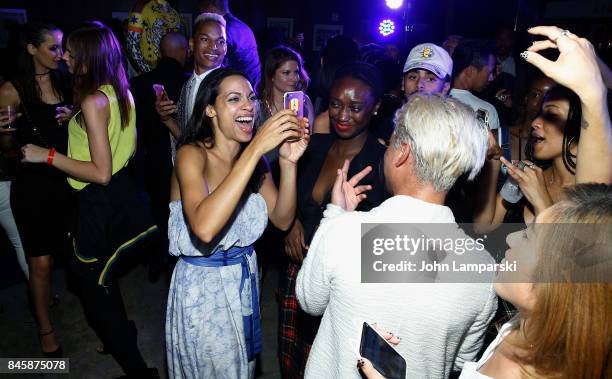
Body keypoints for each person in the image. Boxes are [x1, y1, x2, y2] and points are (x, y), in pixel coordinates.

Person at [296, 93, 496, 378]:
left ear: (402, 152)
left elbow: (309, 300)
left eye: (389, 145)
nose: (385, 151)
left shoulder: (346, 233)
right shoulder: (483, 269)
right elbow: (459, 362)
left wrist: (335, 215)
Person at [21, 22, 159, 377]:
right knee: (102, 281)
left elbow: (100, 171)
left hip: (99, 206)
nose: (64, 55)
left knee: (94, 293)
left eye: (71, 52)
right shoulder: (118, 92)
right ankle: (121, 334)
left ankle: (138, 370)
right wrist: (77, 119)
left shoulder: (94, 100)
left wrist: (46, 155)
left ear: (89, 58)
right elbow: (112, 134)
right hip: (125, 200)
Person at [165, 68, 309, 378]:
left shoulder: (254, 162)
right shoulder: (191, 155)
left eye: (251, 97)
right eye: (234, 99)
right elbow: (204, 228)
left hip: (243, 284)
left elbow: (283, 220)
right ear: (210, 109)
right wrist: (257, 146)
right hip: (201, 292)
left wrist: (287, 163)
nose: (248, 105)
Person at [279, 62, 389, 378]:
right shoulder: (312, 146)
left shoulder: (382, 164)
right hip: (296, 277)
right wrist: (292, 224)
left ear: (376, 107)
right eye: (336, 104)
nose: (342, 115)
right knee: (292, 365)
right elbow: (287, 201)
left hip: (344, 290)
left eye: (355, 107)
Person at [0, 22, 73, 357]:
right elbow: (8, 149)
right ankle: (46, 331)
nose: (60, 54)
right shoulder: (11, 90)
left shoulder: (66, 81)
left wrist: (74, 115)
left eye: (61, 47)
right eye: (53, 47)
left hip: (69, 180)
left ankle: (105, 322)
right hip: (33, 187)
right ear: (31, 49)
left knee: (81, 258)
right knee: (40, 264)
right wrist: (3, 134)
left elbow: (83, 130)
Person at [131, 32, 189, 281]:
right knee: (182, 212)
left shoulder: (139, 83)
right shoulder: (189, 82)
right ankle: (178, 261)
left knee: (157, 212)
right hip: (184, 160)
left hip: (151, 160)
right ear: (184, 52)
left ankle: (157, 260)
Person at [155, 13, 227, 145]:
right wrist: (166, 119)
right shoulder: (186, 86)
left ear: (226, 48)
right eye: (205, 39)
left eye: (220, 41)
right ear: (192, 44)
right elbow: (187, 141)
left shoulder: (230, 86)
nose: (214, 47)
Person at [198, 0, 261, 89]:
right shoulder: (242, 26)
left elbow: (215, 69)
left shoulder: (223, 30)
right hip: (254, 86)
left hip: (242, 88)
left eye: (202, 14)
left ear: (210, 9)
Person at [450, 40, 499, 131]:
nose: (491, 78)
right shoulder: (487, 110)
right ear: (470, 71)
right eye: (489, 72)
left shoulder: (434, 98)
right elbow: (493, 145)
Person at [127, 0, 182, 73]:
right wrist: (148, 72)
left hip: (171, 72)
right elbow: (132, 43)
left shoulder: (173, 10)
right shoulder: (141, 6)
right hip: (148, 71)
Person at [508, 76, 555, 161]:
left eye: (550, 97)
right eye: (536, 95)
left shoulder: (558, 147)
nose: (542, 102)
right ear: (526, 98)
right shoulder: (500, 137)